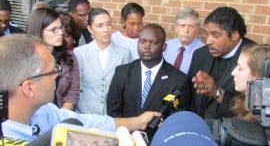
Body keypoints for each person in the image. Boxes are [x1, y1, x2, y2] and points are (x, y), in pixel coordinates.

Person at [0, 34, 160, 141]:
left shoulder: (44, 112)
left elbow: (88, 122)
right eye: (53, 71)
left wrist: (138, 122)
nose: (58, 74)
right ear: (29, 88)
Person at [107, 23, 191, 139]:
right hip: (124, 139)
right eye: (143, 41)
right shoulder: (122, 72)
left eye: (154, 42)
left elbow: (177, 120)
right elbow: (113, 111)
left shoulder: (179, 80)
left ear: (164, 47)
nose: (147, 46)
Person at [188, 6, 255, 119]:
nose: (208, 41)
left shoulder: (254, 57)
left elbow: (251, 110)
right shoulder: (200, 54)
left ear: (234, 35)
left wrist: (217, 92)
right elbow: (190, 96)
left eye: (216, 35)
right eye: (207, 34)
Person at [74, 8, 132, 115]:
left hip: (113, 116)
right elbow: (75, 86)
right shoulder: (79, 53)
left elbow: (127, 87)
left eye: (109, 24)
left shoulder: (124, 54)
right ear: (90, 29)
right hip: (85, 115)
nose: (106, 29)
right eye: (99, 26)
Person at [26, 8, 80, 110]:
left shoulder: (68, 56)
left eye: (60, 28)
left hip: (61, 114)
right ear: (39, 30)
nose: (60, 33)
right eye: (53, 29)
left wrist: (62, 116)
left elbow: (73, 91)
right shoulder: (24, 58)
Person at [163, 7, 205, 74]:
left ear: (197, 30)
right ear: (176, 28)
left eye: (191, 26)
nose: (186, 31)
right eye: (183, 26)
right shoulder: (167, 46)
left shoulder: (204, 51)